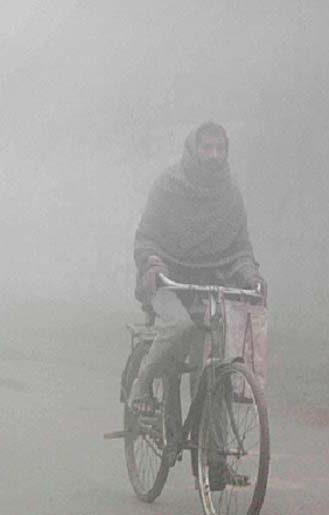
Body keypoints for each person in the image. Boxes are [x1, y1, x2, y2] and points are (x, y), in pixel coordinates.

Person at [131, 122, 266, 487]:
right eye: (207, 148)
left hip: (211, 286)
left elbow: (239, 249)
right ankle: (141, 385)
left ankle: (214, 460)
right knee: (179, 326)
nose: (214, 155)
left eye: (220, 148)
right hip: (168, 282)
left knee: (219, 368)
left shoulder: (230, 194)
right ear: (193, 149)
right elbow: (146, 236)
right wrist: (154, 264)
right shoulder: (168, 185)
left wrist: (251, 276)